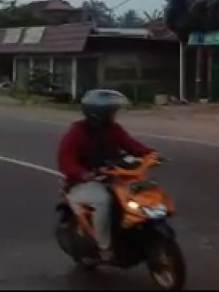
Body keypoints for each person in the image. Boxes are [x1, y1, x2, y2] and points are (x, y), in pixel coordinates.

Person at [57, 89, 155, 261]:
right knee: (103, 200)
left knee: (141, 191)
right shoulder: (77, 133)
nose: (114, 115)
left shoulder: (113, 129)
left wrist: (150, 154)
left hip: (112, 175)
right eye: (111, 111)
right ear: (99, 113)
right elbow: (65, 160)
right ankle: (104, 246)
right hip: (83, 182)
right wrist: (83, 173)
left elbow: (130, 144)